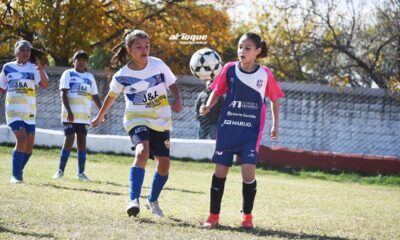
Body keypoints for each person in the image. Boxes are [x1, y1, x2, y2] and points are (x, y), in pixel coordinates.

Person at [91, 29, 182, 218]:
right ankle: (134, 200)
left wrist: (177, 99)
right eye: (139, 47)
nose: (144, 50)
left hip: (161, 120)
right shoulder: (121, 75)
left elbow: (172, 82)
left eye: (147, 46)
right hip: (136, 118)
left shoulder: (158, 65)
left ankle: (153, 199)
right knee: (142, 151)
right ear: (129, 49)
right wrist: (100, 116)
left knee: (164, 164)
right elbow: (111, 96)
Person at [199, 32, 284, 229]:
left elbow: (275, 99)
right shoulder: (229, 69)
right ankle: (213, 216)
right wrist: (208, 106)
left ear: (257, 51)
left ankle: (247, 216)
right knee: (220, 171)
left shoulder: (265, 74)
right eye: (240, 47)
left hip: (250, 131)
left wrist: (275, 124)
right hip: (228, 128)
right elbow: (217, 90)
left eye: (247, 48)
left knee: (248, 171)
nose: (242, 51)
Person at [0, 40, 48, 183]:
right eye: (22, 50)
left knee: (28, 149)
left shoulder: (34, 67)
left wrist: (40, 70)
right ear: (16, 52)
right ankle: (15, 176)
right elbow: (1, 88)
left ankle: (18, 171)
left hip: (29, 112)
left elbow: (45, 85)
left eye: (28, 50)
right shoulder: (8, 68)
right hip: (13, 110)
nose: (26, 52)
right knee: (21, 139)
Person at [52, 50, 102, 181]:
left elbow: (95, 95)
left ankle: (81, 173)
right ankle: (60, 171)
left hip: (84, 116)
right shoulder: (68, 74)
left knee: (82, 142)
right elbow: (63, 93)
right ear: (74, 61)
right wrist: (69, 111)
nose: (81, 62)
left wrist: (102, 111)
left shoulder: (90, 77)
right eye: (78, 60)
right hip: (70, 115)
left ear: (86, 63)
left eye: (84, 60)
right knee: (68, 140)